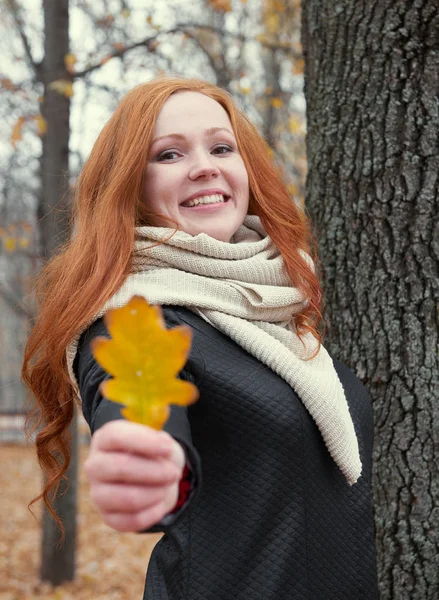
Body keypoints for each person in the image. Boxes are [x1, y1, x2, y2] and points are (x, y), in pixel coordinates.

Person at [22, 77, 379, 599]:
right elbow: (140, 402)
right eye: (168, 154)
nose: (205, 165)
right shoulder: (138, 319)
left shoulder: (273, 306)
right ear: (130, 188)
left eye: (221, 147)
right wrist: (144, 460)